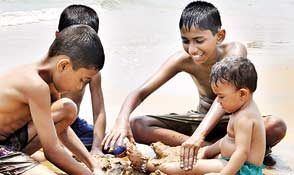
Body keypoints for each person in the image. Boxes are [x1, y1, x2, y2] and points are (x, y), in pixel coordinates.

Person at [102, 0, 286, 169]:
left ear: (219, 36)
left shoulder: (235, 51)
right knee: (137, 124)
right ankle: (211, 149)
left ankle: (218, 147)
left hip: (233, 122)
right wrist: (121, 120)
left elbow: (220, 102)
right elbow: (141, 92)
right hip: (200, 119)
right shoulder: (182, 60)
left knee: (276, 125)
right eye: (185, 41)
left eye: (199, 41)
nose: (192, 49)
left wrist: (199, 135)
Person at [127, 57, 265, 175]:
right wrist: (207, 151)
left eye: (221, 97)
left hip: (244, 169)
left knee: (189, 168)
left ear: (242, 94)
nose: (218, 101)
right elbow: (229, 139)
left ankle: (146, 165)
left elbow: (242, 153)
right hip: (231, 161)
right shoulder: (241, 109)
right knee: (199, 158)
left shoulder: (244, 118)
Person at [0, 25, 105, 175]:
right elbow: (52, 151)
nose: (79, 87)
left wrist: (94, 165)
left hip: (10, 143)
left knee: (68, 108)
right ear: (64, 65)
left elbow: (61, 130)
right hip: (3, 149)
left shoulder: (49, 82)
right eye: (82, 80)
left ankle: (22, 161)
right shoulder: (36, 85)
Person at [55, 4, 106, 155]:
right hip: (48, 125)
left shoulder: (92, 71)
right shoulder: (52, 68)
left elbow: (99, 111)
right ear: (58, 37)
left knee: (116, 147)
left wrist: (97, 148)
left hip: (74, 125)